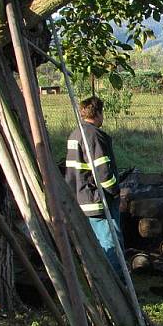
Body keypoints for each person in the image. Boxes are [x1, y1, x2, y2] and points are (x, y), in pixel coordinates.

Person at [65, 96, 124, 274]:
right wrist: (114, 191)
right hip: (99, 200)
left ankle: (98, 277)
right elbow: (103, 171)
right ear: (98, 113)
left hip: (81, 197)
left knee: (95, 243)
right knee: (111, 243)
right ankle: (116, 284)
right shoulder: (95, 135)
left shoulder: (75, 134)